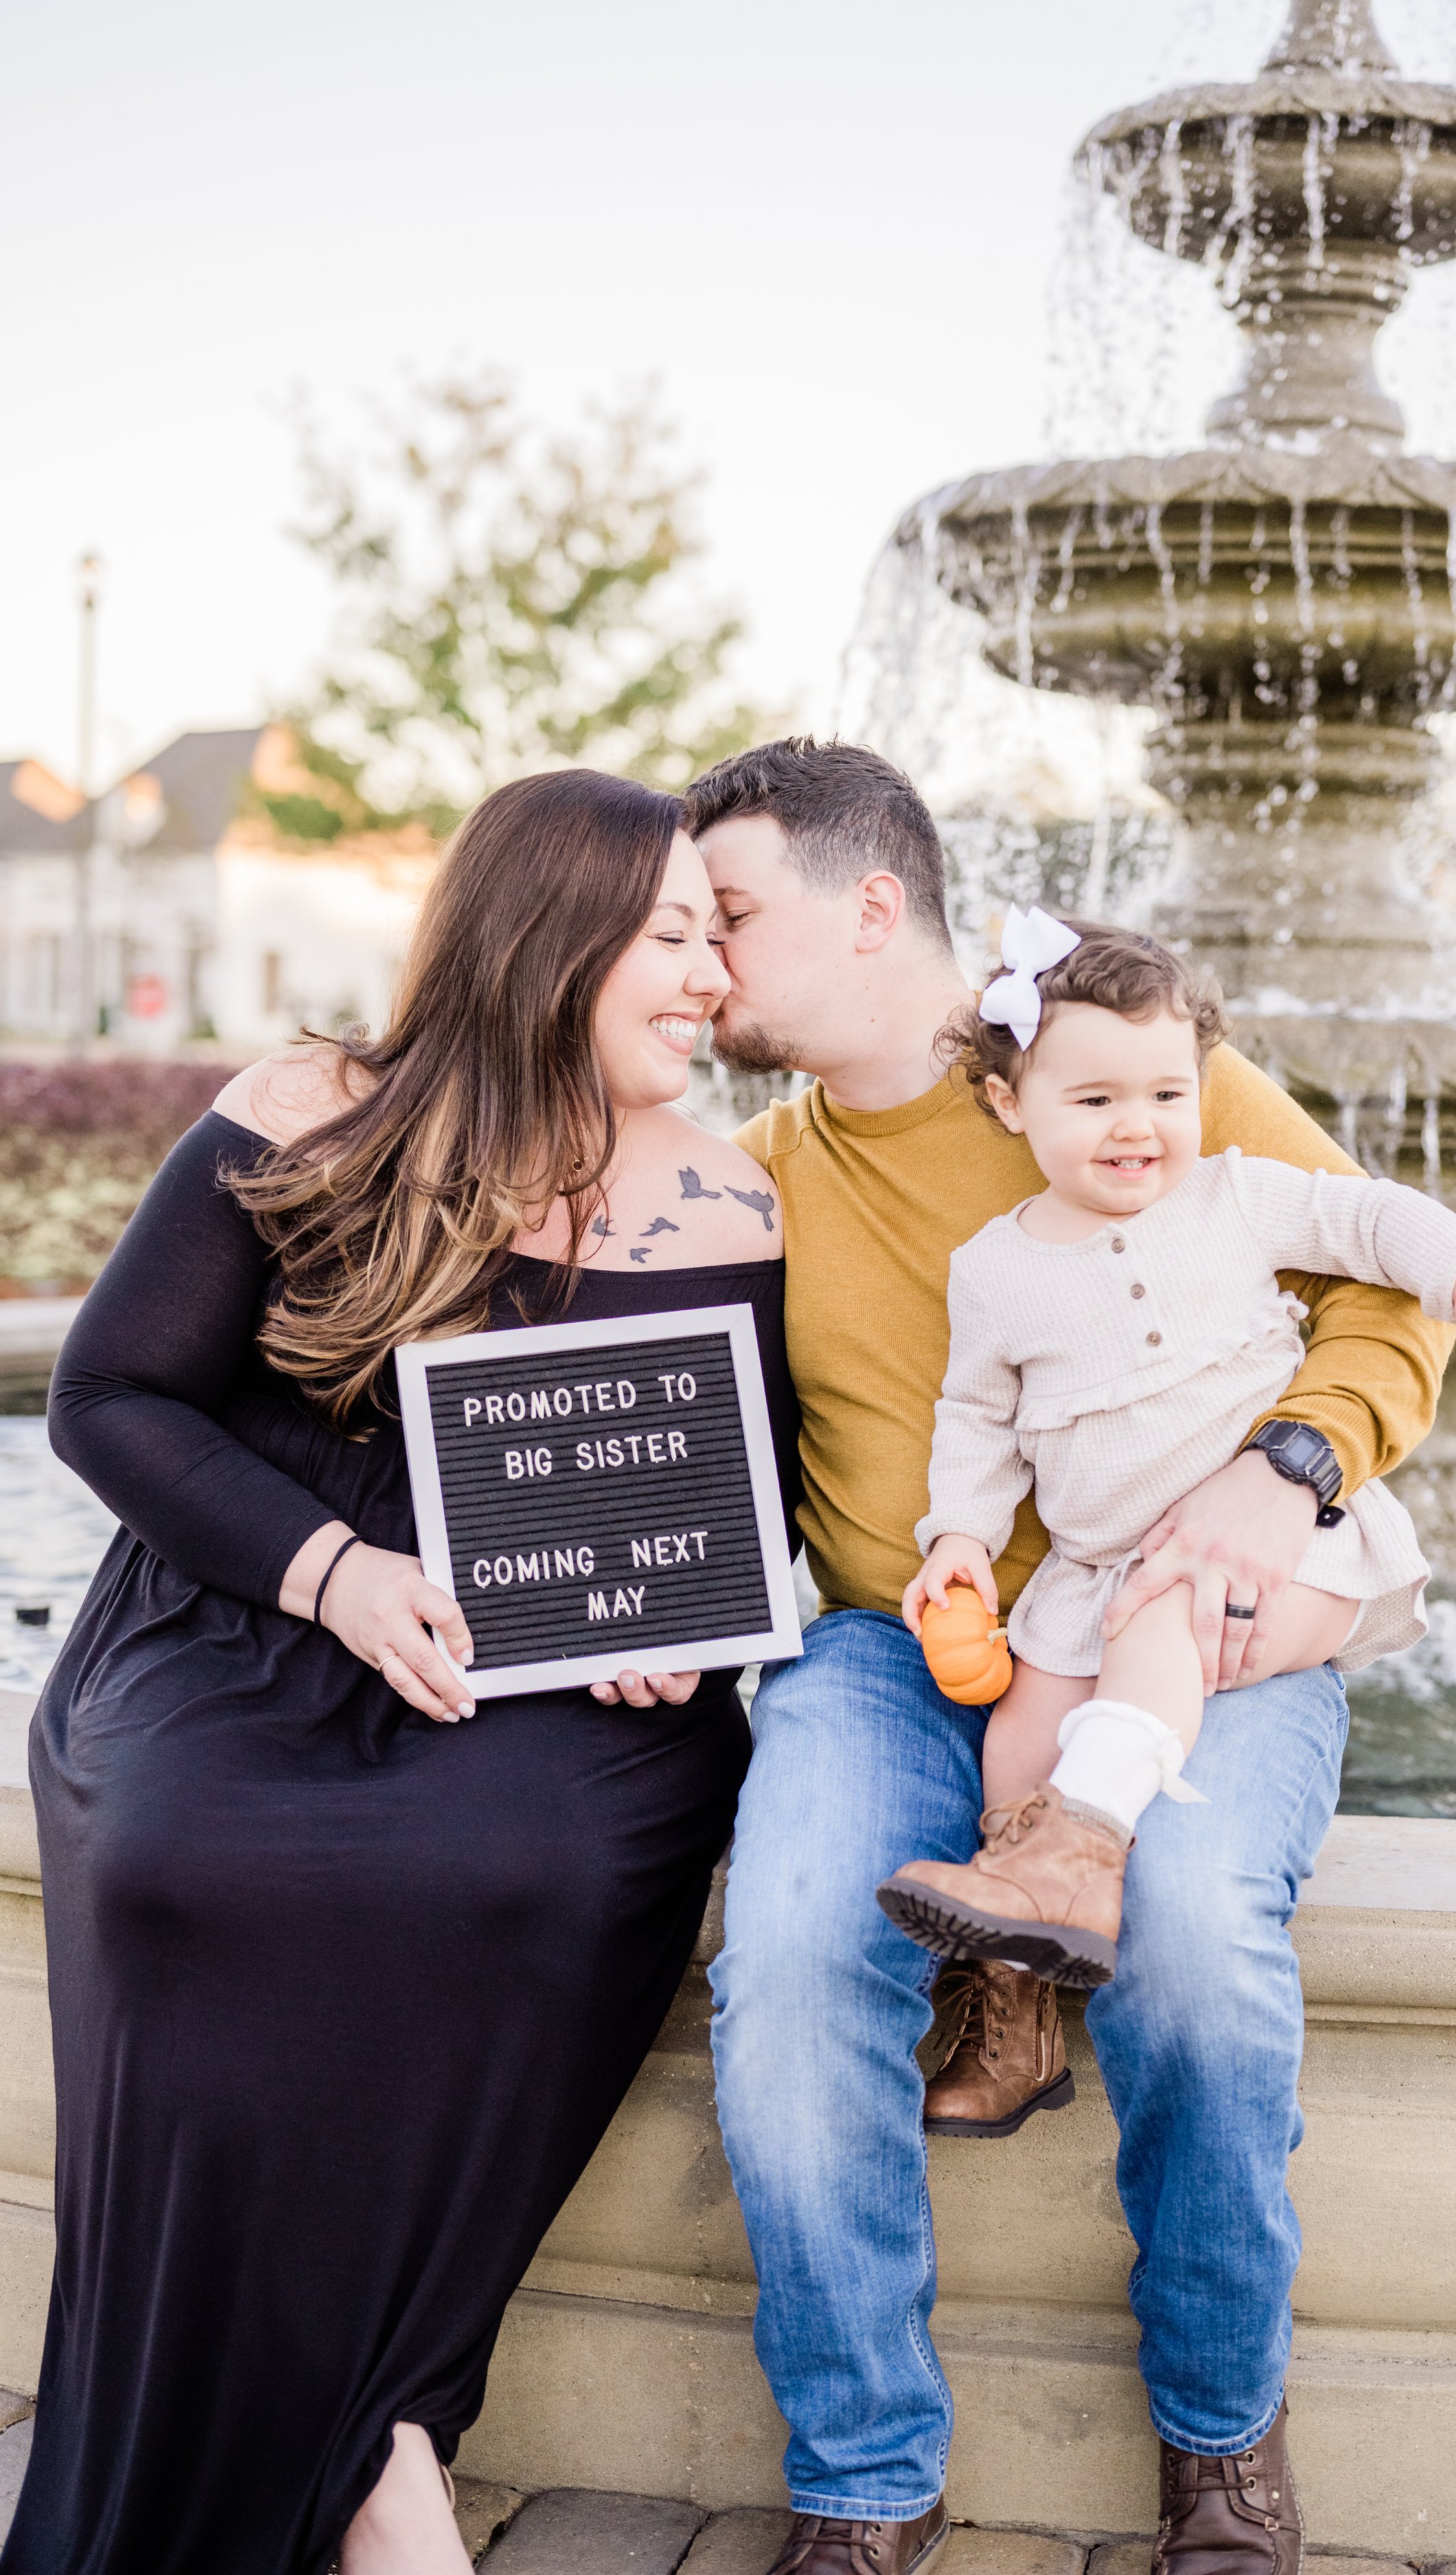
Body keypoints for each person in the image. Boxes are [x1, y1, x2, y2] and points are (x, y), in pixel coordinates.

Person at [5, 772, 797, 2575]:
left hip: (543, 1674)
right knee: (198, 1866)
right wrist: (331, 1570)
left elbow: (707, 1490)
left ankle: (377, 2440)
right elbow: (107, 1394)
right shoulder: (307, 1111)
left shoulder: (728, 1202)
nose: (708, 980)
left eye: (716, 941)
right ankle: (375, 2463)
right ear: (554, 933)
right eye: (672, 935)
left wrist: (677, 1622)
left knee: (535, 1864)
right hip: (246, 1604)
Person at [684, 737, 1456, 2575]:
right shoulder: (741, 1177)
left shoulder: (1108, 1061)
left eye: (725, 914)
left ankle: (1219, 2440)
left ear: (870, 904)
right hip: (891, 1646)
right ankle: (864, 2474)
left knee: (1190, 1934)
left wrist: (1288, 1472)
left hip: (1182, 1613)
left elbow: (1382, 1280)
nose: (697, 960)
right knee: (789, 1954)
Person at [878, 915, 1456, 1985]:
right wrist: (958, 1535)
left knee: (1165, 1616)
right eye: (1095, 1100)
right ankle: (1020, 1955)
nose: (1137, 1126)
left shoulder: (1234, 1195)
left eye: (1166, 1094)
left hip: (1288, 1553)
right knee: (1016, 1743)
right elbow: (976, 1419)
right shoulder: (993, 1268)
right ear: (1010, 1103)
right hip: (1097, 1570)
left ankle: (1083, 1849)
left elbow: (1376, 1220)